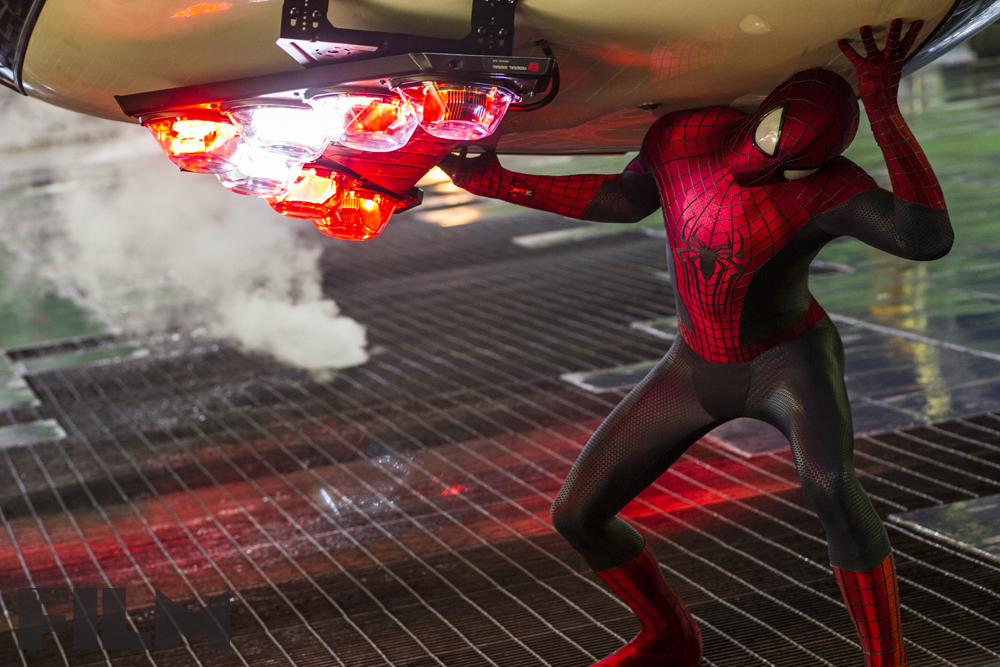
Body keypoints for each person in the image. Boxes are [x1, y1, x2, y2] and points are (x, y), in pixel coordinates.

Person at [440, 20, 951, 667]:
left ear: (819, 162)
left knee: (831, 486)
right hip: (694, 364)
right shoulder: (685, 137)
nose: (768, 167)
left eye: (793, 164)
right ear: (763, 113)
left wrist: (883, 109)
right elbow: (627, 198)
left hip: (787, 361)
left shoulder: (829, 187)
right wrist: (497, 181)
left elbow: (924, 237)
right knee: (577, 513)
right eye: (772, 142)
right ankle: (669, 636)